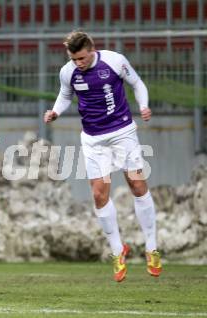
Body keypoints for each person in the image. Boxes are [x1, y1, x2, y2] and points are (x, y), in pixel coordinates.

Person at [44, 31, 162, 282]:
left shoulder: (114, 61)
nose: (79, 63)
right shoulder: (68, 72)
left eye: (82, 58)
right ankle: (118, 251)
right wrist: (55, 112)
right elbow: (65, 95)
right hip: (93, 139)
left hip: (122, 133)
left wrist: (143, 105)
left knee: (137, 185)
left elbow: (137, 83)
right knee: (99, 193)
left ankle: (152, 247)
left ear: (92, 49)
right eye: (74, 59)